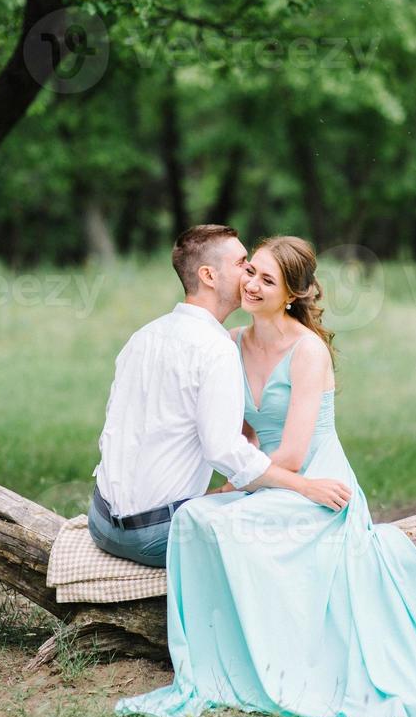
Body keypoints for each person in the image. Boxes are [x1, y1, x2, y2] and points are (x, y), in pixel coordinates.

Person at [115, 235, 416, 717]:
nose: (252, 285)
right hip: (269, 481)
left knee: (219, 518)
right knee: (196, 518)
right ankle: (215, 663)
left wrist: (237, 488)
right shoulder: (232, 344)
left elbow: (292, 452)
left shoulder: (307, 351)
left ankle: (278, 662)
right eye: (251, 272)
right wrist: (231, 485)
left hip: (316, 484)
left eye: (268, 279)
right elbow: (237, 435)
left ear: (291, 293)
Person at [89, 225, 351, 567]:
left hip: (101, 522)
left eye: (260, 273)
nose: (249, 277)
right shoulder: (219, 347)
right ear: (209, 275)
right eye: (244, 264)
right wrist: (301, 487)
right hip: (153, 533)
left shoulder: (143, 336)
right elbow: (224, 450)